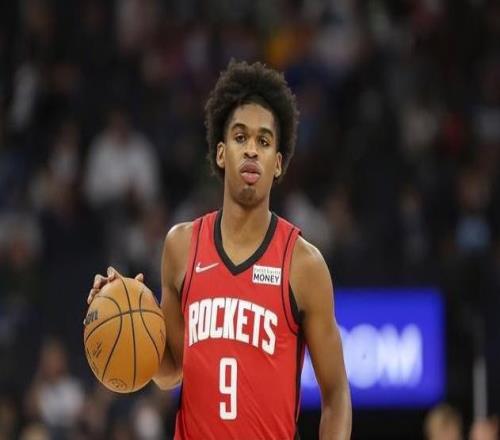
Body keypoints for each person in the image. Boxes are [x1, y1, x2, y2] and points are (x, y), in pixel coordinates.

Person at [88, 60, 352, 439]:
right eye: (241, 137)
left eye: (264, 141)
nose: (252, 150)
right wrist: (121, 311)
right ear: (221, 153)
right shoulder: (181, 246)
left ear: (278, 164)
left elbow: (336, 395)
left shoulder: (303, 264)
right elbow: (171, 371)